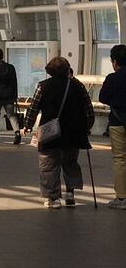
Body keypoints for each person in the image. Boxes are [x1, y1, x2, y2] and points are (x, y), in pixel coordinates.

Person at [23, 56, 94, 208]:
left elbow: (33, 108)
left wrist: (27, 125)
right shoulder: (78, 86)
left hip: (49, 132)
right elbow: (88, 109)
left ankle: (53, 198)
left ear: (50, 71)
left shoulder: (43, 86)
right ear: (67, 69)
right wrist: (87, 127)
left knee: (48, 165)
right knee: (70, 162)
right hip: (73, 132)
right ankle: (70, 194)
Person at [98, 44, 126, 210]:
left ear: (115, 61)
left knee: (120, 159)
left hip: (118, 122)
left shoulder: (113, 78)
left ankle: (122, 197)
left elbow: (102, 97)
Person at [0, 47, 22, 144]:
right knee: (11, 115)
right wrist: (15, 95)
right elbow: (14, 82)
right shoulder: (11, 67)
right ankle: (17, 132)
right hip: (9, 96)